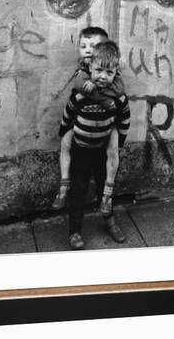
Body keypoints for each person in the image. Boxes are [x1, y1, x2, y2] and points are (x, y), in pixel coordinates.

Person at [58, 41, 131, 249]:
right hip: (80, 150)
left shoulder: (119, 98)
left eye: (108, 72)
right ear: (90, 67)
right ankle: (74, 231)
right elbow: (69, 112)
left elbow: (124, 120)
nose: (102, 76)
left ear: (116, 72)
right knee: (78, 191)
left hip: (102, 151)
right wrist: (64, 130)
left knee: (105, 190)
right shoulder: (81, 94)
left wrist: (121, 140)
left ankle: (110, 222)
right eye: (98, 70)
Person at [52, 27, 125, 216]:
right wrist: (102, 99)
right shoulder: (83, 73)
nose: (86, 50)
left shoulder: (109, 72)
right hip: (83, 130)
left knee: (109, 162)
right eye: (82, 46)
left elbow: (119, 91)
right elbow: (77, 92)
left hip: (106, 129)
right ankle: (64, 187)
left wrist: (104, 97)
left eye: (92, 47)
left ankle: (109, 214)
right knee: (78, 179)